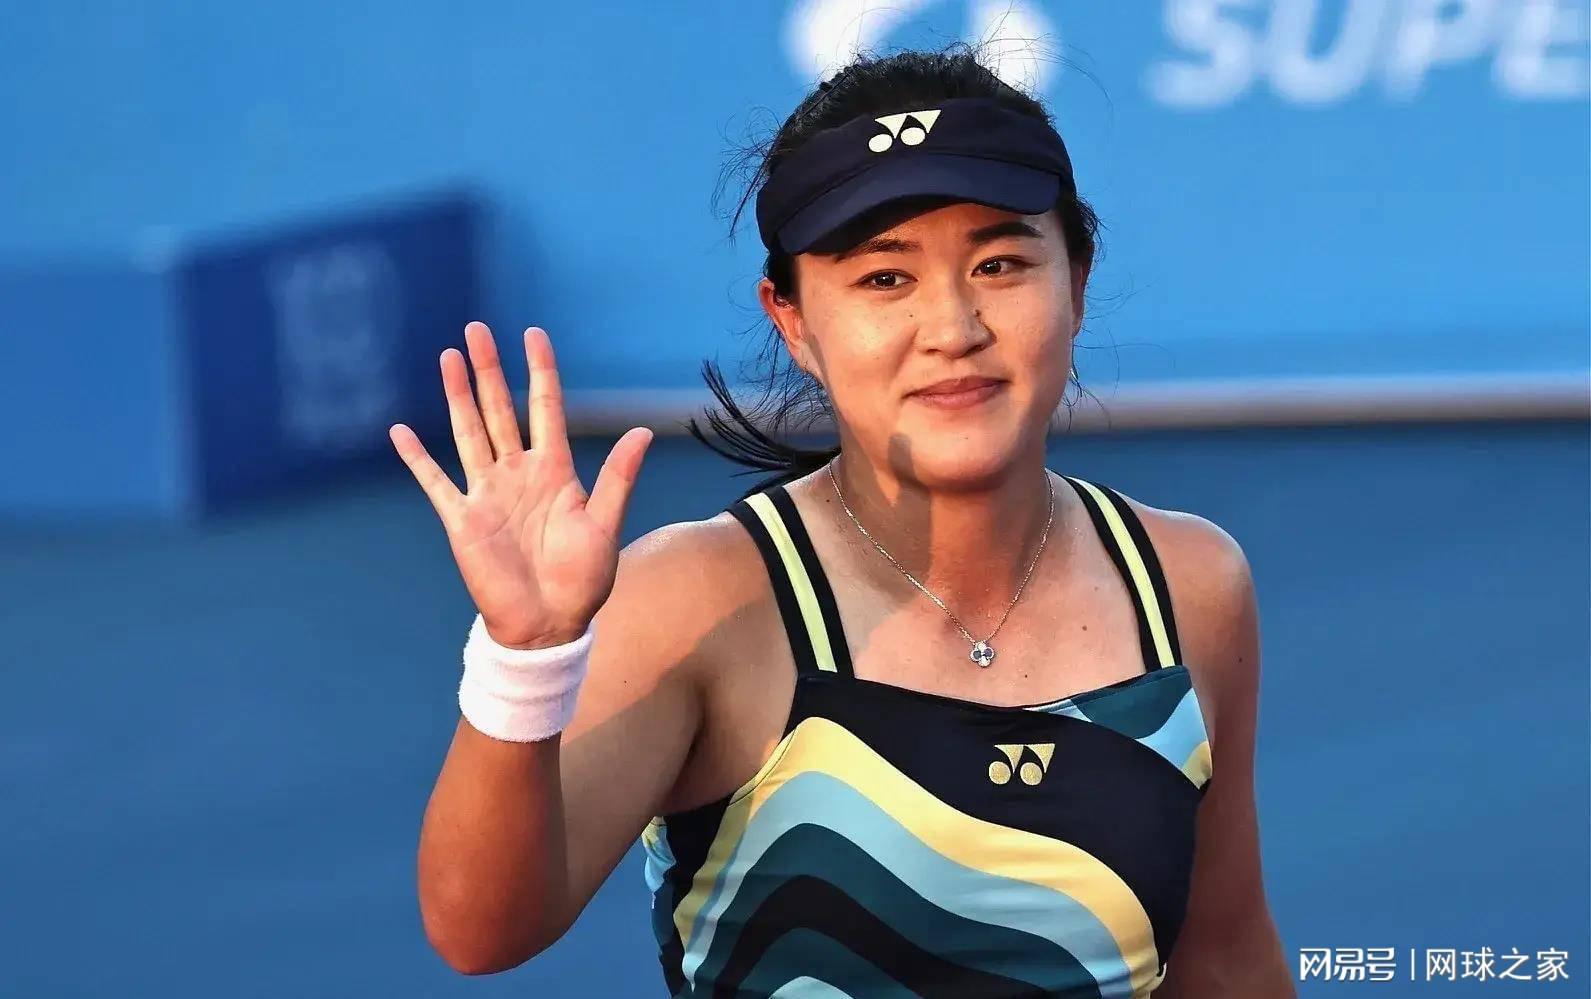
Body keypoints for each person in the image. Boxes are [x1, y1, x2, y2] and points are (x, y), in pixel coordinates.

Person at [390, 46, 1293, 998]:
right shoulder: (696, 600)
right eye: (883, 279)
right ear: (792, 321)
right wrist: (524, 659)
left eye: (998, 263)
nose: (952, 328)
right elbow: (481, 930)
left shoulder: (1189, 582)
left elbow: (1225, 957)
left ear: (1075, 278)